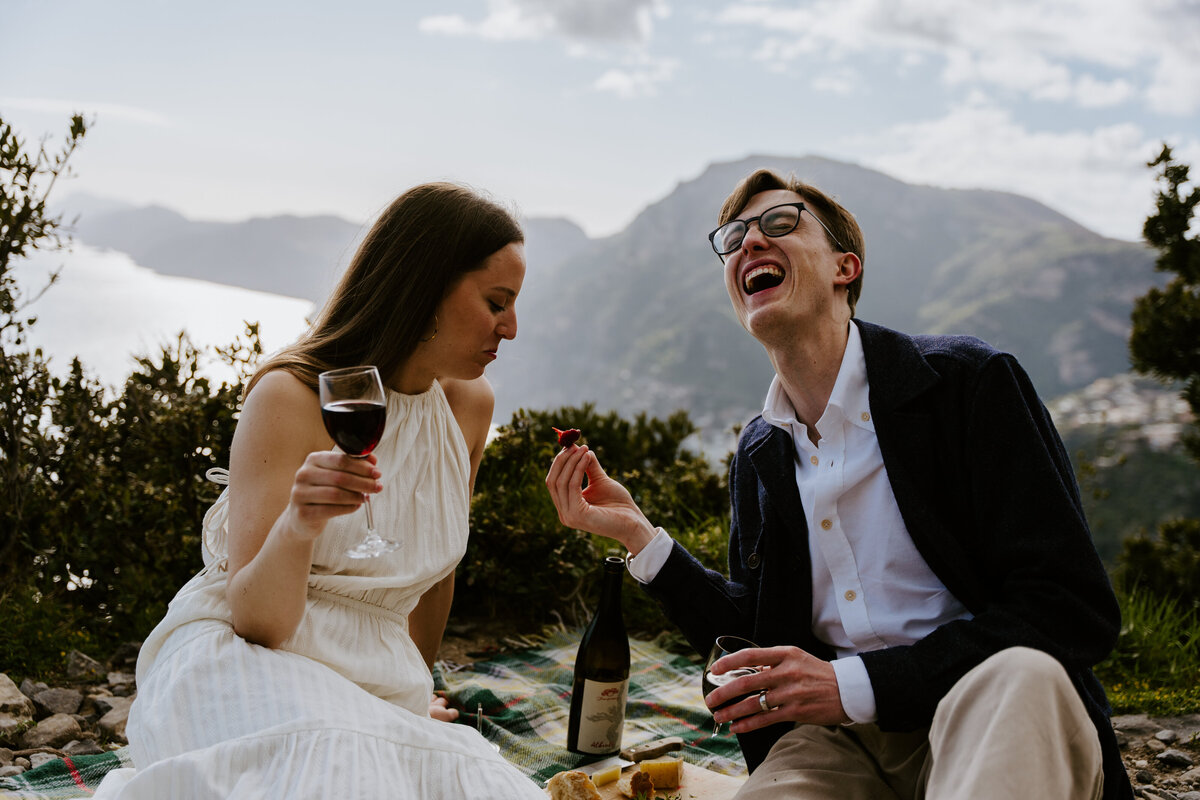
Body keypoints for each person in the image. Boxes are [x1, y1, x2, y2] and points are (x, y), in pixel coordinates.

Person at [546, 168, 1133, 800]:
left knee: (1023, 673)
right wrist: (640, 535)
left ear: (844, 268)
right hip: (838, 743)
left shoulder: (970, 384)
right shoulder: (758, 452)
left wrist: (852, 685)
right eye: (735, 235)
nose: (750, 242)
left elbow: (1069, 610)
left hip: (989, 704)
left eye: (780, 224)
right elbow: (755, 631)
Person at [94, 182, 545, 799]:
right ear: (425, 285)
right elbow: (259, 622)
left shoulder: (467, 407)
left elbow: (435, 575)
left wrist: (412, 693)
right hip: (247, 662)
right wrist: (299, 525)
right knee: (340, 776)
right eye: (497, 302)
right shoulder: (291, 396)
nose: (511, 327)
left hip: (377, 679)